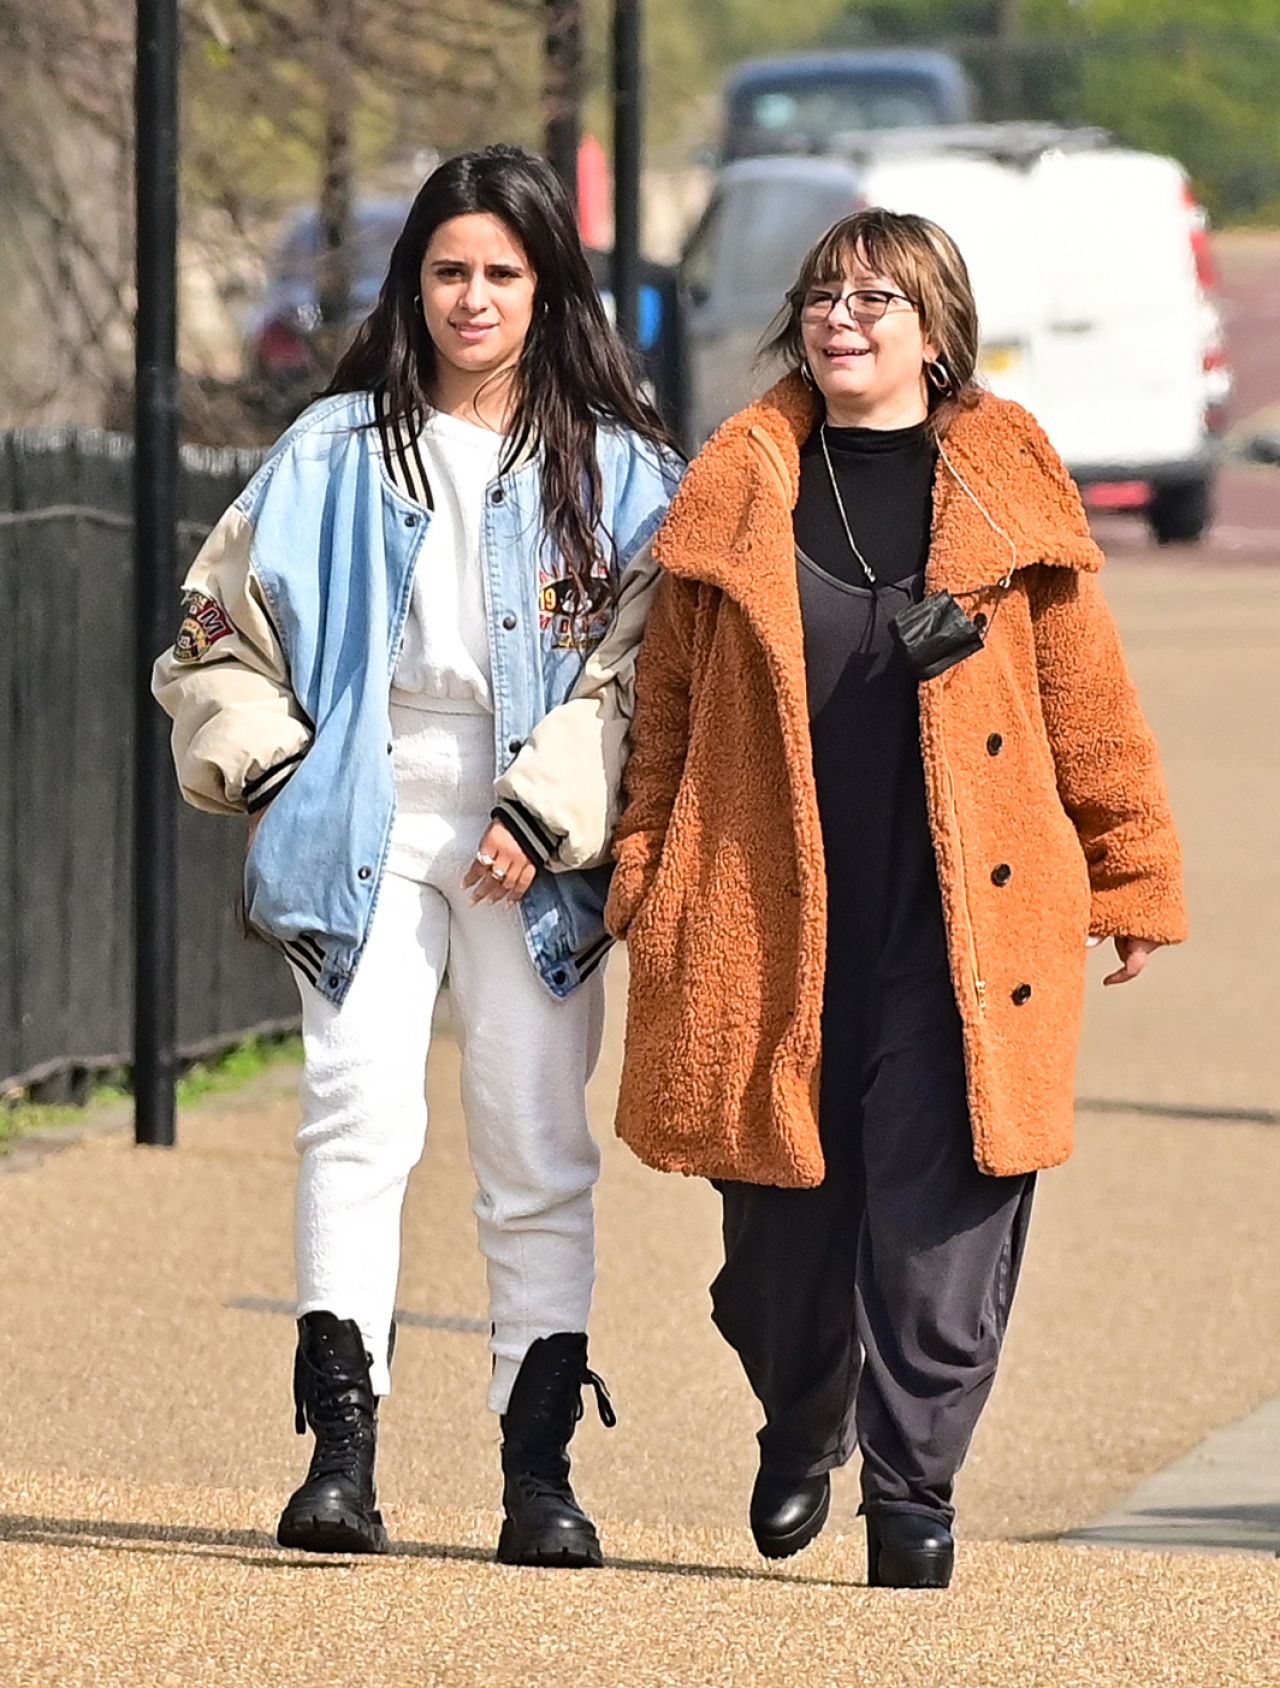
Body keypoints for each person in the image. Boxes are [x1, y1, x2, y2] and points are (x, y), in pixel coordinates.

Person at [605, 208, 1186, 1588]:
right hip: (773, 916)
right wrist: (643, 868)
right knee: (776, 1261)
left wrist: (1132, 873)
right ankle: (801, 1420)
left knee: (941, 1224)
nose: (842, 317)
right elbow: (670, 713)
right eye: (823, 295)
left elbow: (1085, 706)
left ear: (938, 332)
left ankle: (915, 1489)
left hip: (967, 925)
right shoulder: (737, 485)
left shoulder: (1005, 488)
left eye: (876, 298)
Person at [153, 144, 681, 1568]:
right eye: (448, 270)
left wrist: (541, 812)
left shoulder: (625, 475)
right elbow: (210, 637)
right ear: (414, 285)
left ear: (546, 287)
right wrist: (268, 771)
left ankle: (539, 1472)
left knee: (534, 1143)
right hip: (363, 818)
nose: (472, 298)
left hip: (537, 841)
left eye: (501, 273)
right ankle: (342, 1454)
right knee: (356, 1112)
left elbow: (647, 678)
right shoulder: (328, 452)